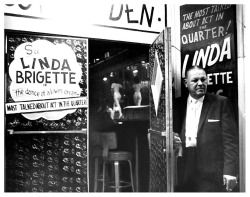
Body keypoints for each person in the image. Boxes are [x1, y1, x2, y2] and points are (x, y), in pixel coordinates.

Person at [173, 66, 239, 192]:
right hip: (184, 165)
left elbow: (230, 141)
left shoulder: (221, 103)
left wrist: (230, 171)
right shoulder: (177, 105)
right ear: (185, 83)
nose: (200, 83)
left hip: (212, 169)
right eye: (195, 80)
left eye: (203, 80)